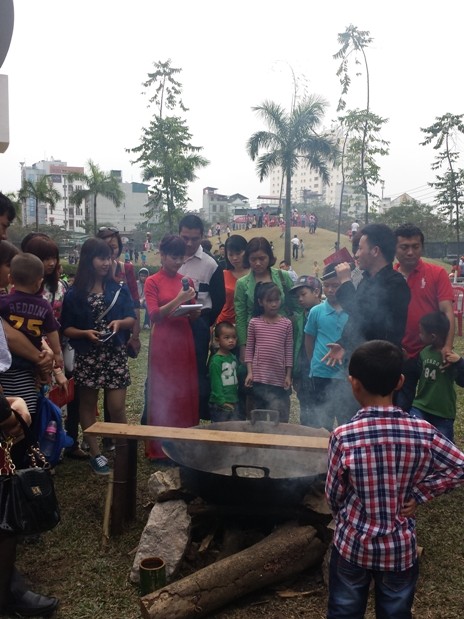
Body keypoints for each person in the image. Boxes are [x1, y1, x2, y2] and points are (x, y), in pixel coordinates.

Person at [326, 339, 464, 619]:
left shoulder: (344, 436)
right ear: (400, 382)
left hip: (353, 546)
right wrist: (420, 494)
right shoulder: (422, 431)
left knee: (344, 611)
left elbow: (334, 494)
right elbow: (459, 466)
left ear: (354, 384)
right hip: (399, 550)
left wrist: (345, 513)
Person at [61, 238, 136, 475]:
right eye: (101, 257)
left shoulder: (118, 289)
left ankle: (123, 449)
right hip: (88, 355)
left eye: (109, 258)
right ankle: (95, 453)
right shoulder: (75, 293)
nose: (107, 263)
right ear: (88, 260)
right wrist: (85, 333)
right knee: (87, 404)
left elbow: (131, 318)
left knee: (117, 406)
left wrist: (119, 323)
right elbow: (66, 328)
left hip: (114, 354)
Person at [323, 223, 410, 367]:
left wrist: (345, 281)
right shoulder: (367, 279)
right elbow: (356, 321)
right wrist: (344, 343)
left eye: (360, 248)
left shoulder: (395, 284)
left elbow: (362, 314)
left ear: (375, 251)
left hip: (380, 363)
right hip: (360, 360)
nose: (356, 254)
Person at [144, 235, 199, 460]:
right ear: (163, 255)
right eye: (174, 257)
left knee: (184, 391)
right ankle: (160, 450)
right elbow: (154, 315)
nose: (178, 262)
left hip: (184, 339)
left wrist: (194, 311)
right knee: (163, 391)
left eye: (181, 257)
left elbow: (192, 314)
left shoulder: (187, 280)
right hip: (164, 342)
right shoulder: (152, 281)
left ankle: (184, 446)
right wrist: (179, 298)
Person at [394, 223, 454, 411]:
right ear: (395, 249)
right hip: (400, 353)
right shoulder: (390, 276)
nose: (410, 252)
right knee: (401, 405)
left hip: (430, 352)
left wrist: (446, 347)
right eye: (404, 247)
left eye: (415, 246)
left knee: (431, 406)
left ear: (422, 247)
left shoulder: (437, 273)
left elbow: (447, 312)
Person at [178, 214, 225, 420]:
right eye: (185, 237)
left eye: (194, 239)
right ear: (179, 233)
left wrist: (204, 319)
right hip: (172, 324)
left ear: (202, 236)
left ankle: (193, 417)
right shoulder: (171, 258)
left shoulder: (211, 264)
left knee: (195, 371)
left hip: (198, 324)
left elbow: (219, 299)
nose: (189, 243)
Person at [304, 264, 352, 430]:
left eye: (335, 285)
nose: (330, 290)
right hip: (321, 373)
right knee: (322, 422)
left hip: (345, 374)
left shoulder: (352, 312)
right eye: (327, 286)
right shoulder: (316, 311)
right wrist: (313, 362)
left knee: (345, 422)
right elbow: (309, 339)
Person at [235, 237, 297, 364]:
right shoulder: (242, 284)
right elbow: (240, 316)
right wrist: (243, 345)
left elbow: (296, 305)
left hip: (282, 338)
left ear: (270, 257)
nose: (257, 263)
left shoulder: (283, 277)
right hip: (255, 339)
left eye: (262, 258)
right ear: (248, 259)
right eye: (253, 259)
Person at [410, 311, 464, 442]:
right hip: (421, 406)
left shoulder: (450, 358)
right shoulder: (423, 353)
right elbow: (418, 373)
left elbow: (462, 381)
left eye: (421, 333)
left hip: (443, 412)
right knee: (414, 436)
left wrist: (460, 362)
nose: (419, 335)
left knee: (444, 447)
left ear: (433, 336)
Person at [244, 282, 293, 422]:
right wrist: (250, 372)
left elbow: (288, 351)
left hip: (278, 377)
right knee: (257, 415)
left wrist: (288, 375)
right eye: (269, 301)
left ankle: (277, 442)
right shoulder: (254, 323)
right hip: (259, 377)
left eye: (276, 300)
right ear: (260, 302)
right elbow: (249, 349)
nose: (273, 304)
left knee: (278, 415)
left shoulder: (286, 324)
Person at [289, 275, 322, 426]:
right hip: (304, 370)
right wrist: (296, 374)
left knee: (323, 412)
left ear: (316, 292)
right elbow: (296, 346)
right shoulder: (298, 319)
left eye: (303, 294)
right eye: (297, 297)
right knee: (307, 412)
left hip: (321, 370)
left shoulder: (325, 313)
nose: (300, 299)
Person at [208, 321, 239, 421]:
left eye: (234, 337)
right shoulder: (216, 361)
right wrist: (222, 402)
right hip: (220, 405)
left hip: (233, 401)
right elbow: (215, 383)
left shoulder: (233, 358)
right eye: (227, 338)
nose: (231, 340)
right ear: (217, 340)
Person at [216, 235, 249, 325]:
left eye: (238, 253)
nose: (234, 258)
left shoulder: (255, 274)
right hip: (225, 326)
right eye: (230, 254)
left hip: (249, 324)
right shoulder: (222, 275)